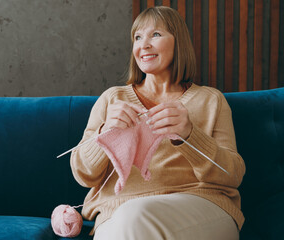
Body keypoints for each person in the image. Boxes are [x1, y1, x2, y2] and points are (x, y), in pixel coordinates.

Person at [70, 6, 245, 240]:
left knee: (133, 217)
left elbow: (232, 174)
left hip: (200, 206)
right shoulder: (113, 99)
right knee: (128, 220)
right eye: (138, 37)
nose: (144, 44)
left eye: (156, 35)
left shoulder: (210, 100)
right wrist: (105, 133)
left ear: (179, 42)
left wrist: (190, 135)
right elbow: (84, 175)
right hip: (118, 214)